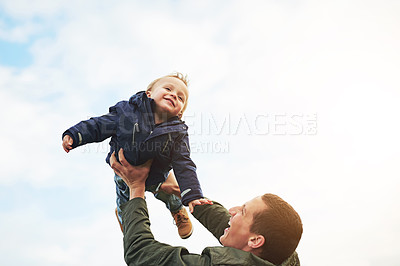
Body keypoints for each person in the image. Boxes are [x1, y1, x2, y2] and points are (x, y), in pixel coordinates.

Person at [62, 72, 209, 238]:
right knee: (126, 200)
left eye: (181, 98)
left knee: (170, 194)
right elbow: (98, 125)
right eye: (168, 88)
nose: (174, 95)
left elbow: (184, 164)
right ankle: (125, 218)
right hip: (124, 171)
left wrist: (193, 195)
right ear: (149, 93)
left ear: (180, 113)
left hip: (157, 175)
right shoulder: (126, 112)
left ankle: (177, 210)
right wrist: (75, 135)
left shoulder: (178, 133)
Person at [111, 149, 303, 266]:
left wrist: (135, 189)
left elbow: (140, 255)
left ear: (255, 241)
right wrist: (184, 192)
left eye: (243, 211)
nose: (232, 210)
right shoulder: (279, 252)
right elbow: (224, 223)